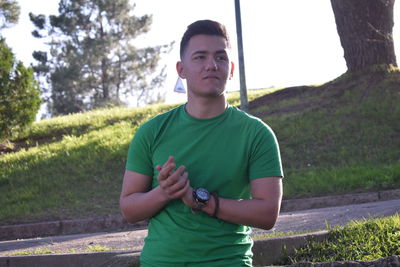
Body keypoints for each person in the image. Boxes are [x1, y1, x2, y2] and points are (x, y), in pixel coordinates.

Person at [119, 19, 284, 266]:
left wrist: (201, 200)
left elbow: (267, 213)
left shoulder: (257, 134)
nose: (211, 65)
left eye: (220, 57)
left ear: (231, 69)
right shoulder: (151, 132)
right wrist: (165, 192)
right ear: (181, 69)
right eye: (199, 57)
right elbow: (129, 209)